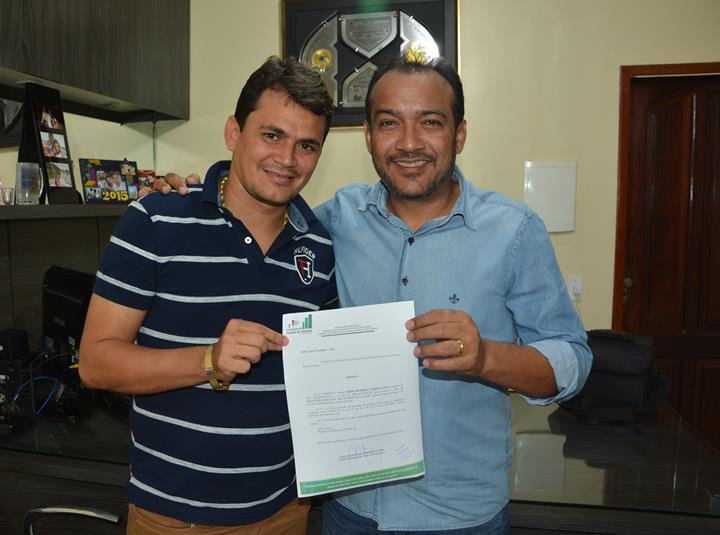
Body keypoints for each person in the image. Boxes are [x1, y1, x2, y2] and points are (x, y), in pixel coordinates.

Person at [153, 54, 592, 534]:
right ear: (367, 135)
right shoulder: (330, 223)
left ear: (460, 134)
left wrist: (486, 357)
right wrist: (191, 192)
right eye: (389, 123)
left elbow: (572, 360)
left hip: (461, 517)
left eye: (430, 122)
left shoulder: (514, 232)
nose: (409, 143)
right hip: (349, 511)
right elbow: (255, 212)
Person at [79, 56, 337, 534]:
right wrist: (208, 361)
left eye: (307, 145)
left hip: (284, 511)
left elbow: (324, 375)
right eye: (272, 135)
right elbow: (95, 363)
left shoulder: (319, 245)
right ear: (234, 133)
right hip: (176, 517)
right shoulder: (155, 219)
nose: (287, 159)